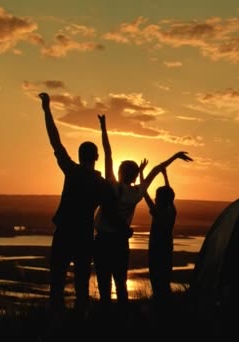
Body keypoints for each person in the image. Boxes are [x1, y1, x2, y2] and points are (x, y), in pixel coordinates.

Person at [93, 114, 193, 318]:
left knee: (104, 281)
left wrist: (103, 127)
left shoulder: (113, 186)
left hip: (103, 240)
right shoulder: (137, 193)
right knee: (120, 282)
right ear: (134, 175)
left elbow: (108, 153)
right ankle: (121, 318)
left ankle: (104, 319)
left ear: (120, 173)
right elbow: (157, 170)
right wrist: (174, 157)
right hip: (121, 242)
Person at [38, 93, 119, 321]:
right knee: (82, 282)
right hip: (84, 235)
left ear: (80, 155)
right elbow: (112, 210)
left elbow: (55, 141)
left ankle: (56, 319)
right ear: (95, 157)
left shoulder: (72, 172)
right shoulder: (101, 184)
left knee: (57, 280)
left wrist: (47, 110)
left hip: (64, 232)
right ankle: (79, 321)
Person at [139, 162, 176, 306]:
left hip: (156, 251)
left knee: (156, 280)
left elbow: (144, 192)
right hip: (167, 250)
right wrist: (165, 175)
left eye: (157, 196)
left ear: (160, 199)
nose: (154, 198)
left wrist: (142, 173)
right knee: (165, 280)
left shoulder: (157, 212)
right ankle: (166, 305)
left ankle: (159, 308)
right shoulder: (172, 211)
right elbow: (170, 195)